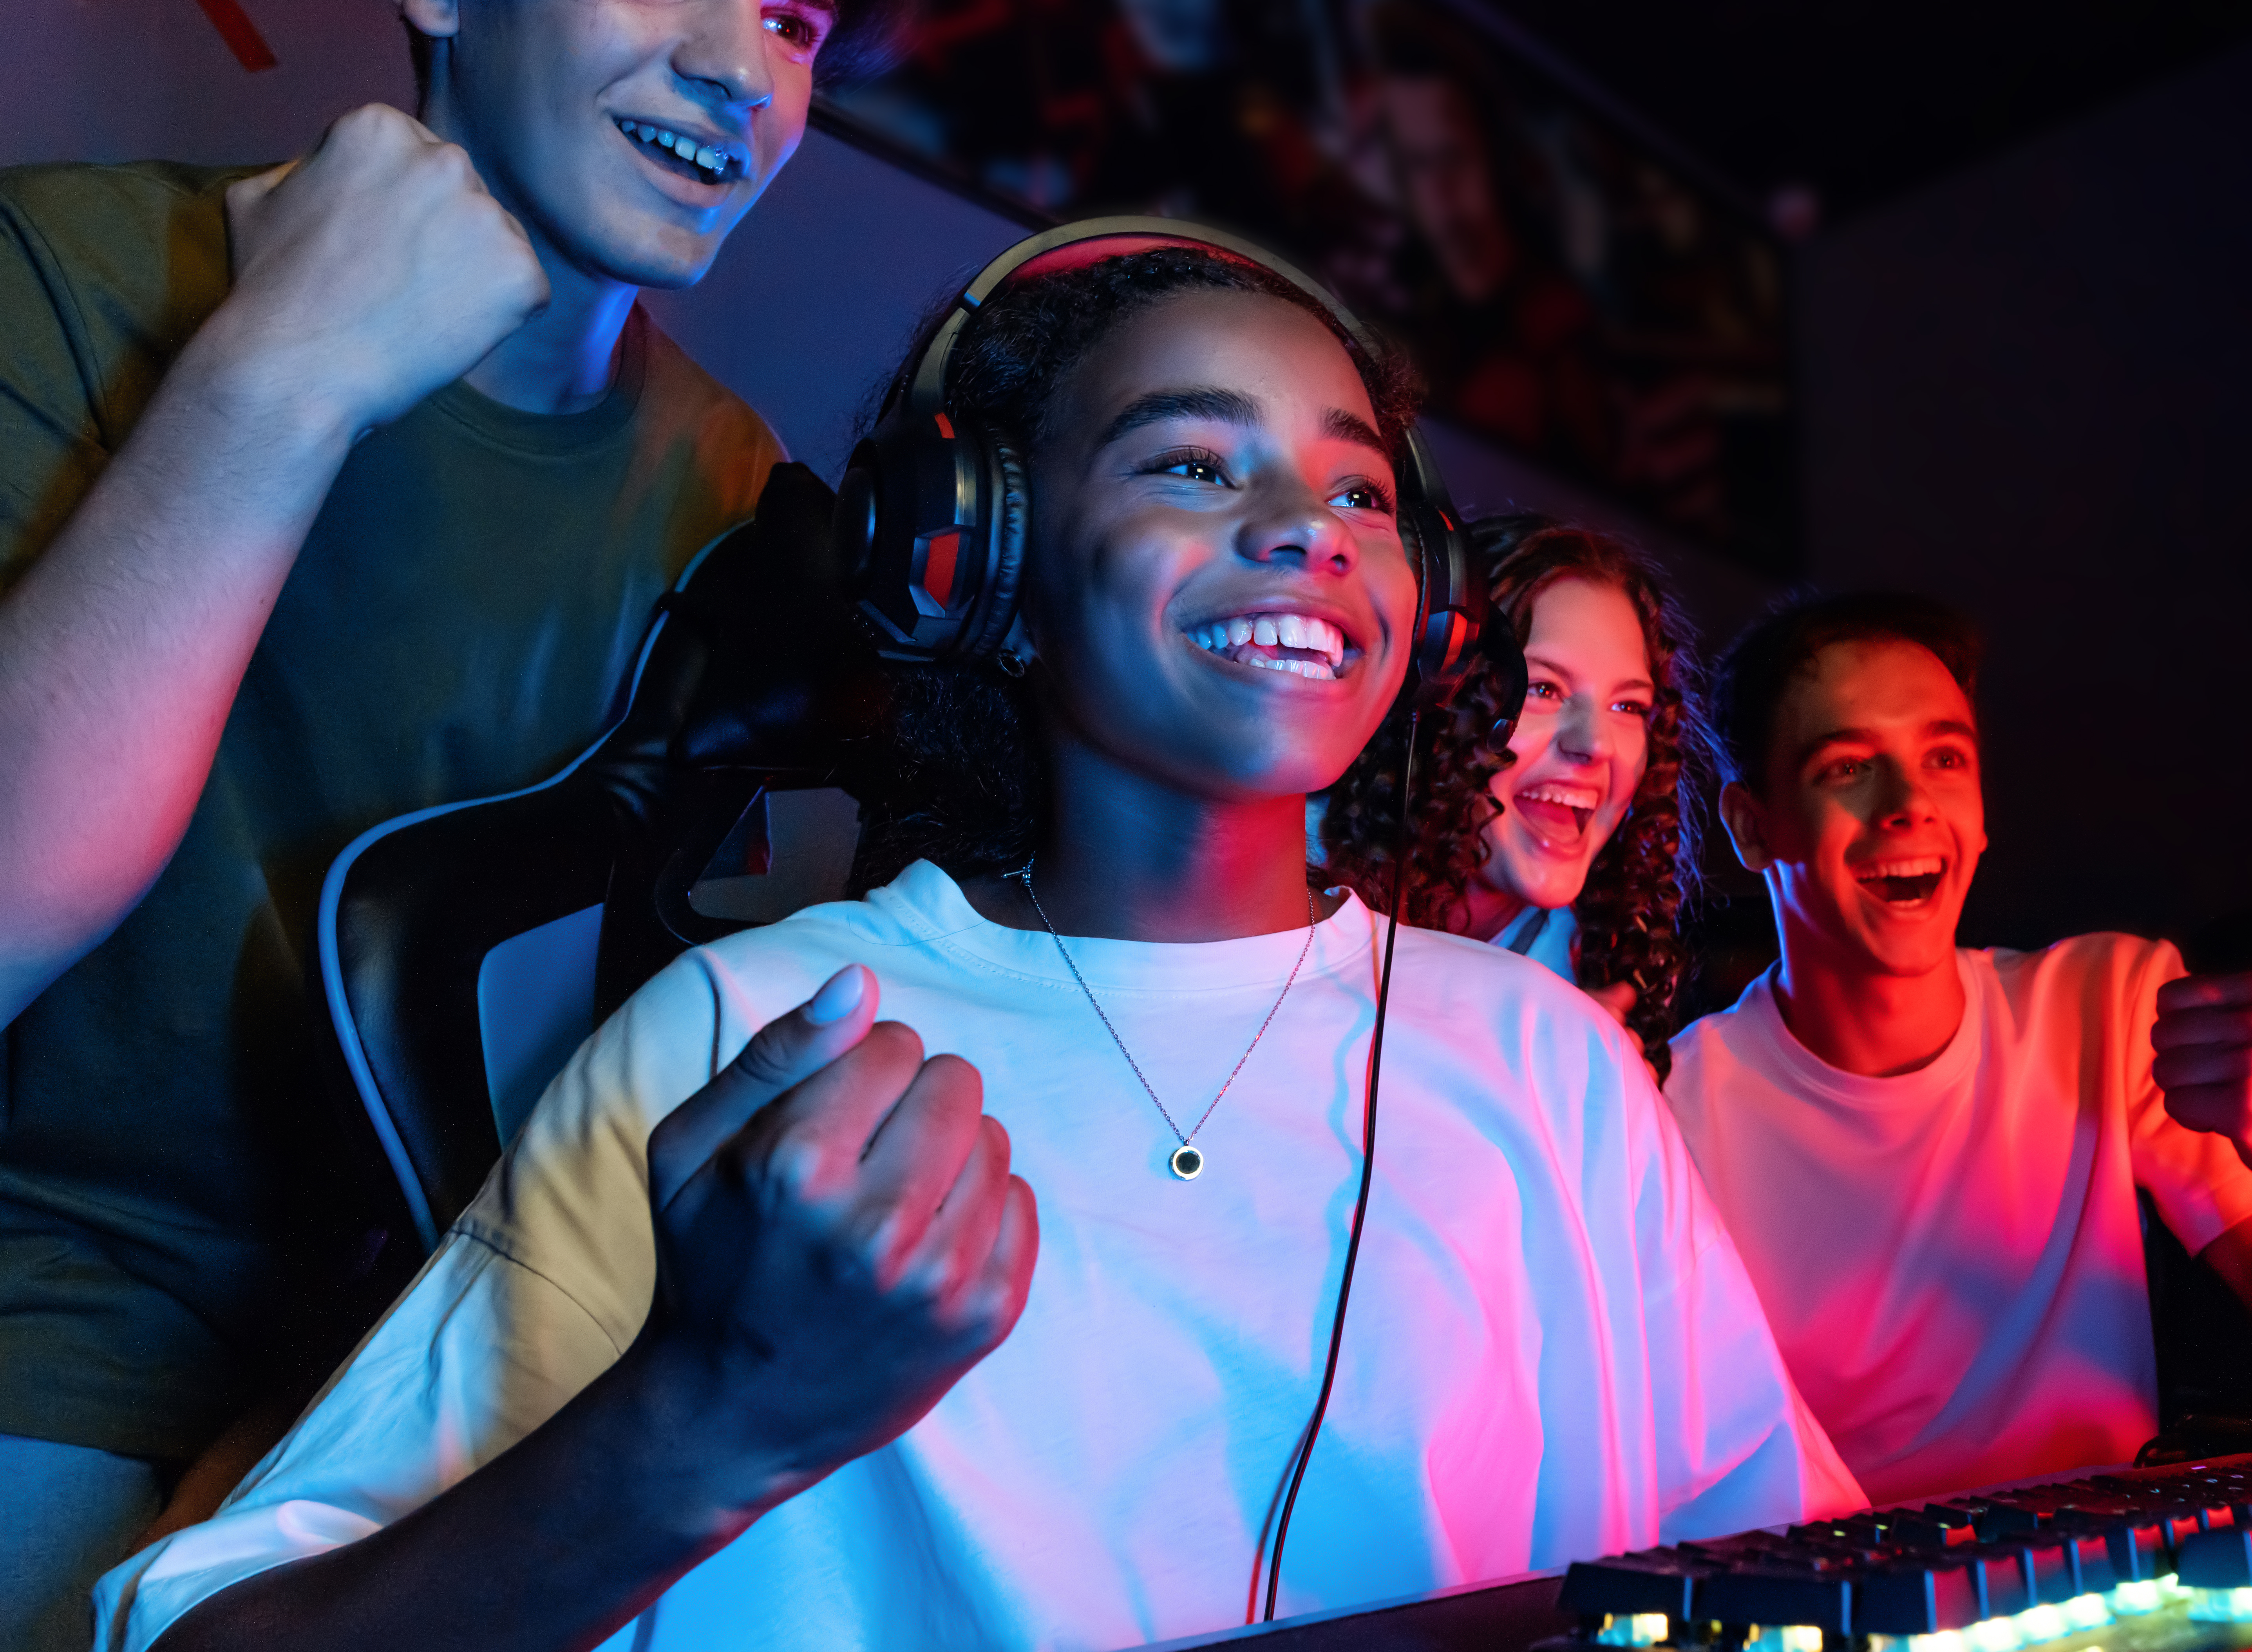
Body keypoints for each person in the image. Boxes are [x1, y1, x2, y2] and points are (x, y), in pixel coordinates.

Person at [99, 233, 1862, 1652]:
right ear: (972, 558)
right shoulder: (758, 1025)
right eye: (1192, 460)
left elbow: (1800, 1571)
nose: (1304, 536)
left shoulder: (1542, 1064)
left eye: (1356, 494)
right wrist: (703, 1414)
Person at [0, 0, 912, 1640]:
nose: (740, 70)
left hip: (467, 1355)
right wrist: (280, 382)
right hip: (62, 1313)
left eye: (791, 21)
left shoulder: (735, 489)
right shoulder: (79, 268)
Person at [1664, 591, 2252, 1506]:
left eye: (1944, 758)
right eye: (1848, 767)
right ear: (1753, 826)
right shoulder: (1673, 1104)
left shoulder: (2107, 1004)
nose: (1909, 804)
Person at [1320, 514, 1708, 1073]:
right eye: (1545, 688)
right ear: (1436, 696)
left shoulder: (1593, 986)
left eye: (1628, 707)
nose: (1595, 743)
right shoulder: (1278, 897)